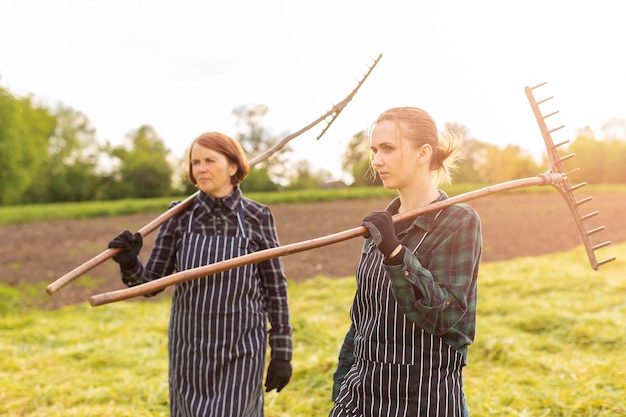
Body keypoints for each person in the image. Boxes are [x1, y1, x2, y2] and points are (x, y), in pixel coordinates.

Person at [108, 132, 293, 417]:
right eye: (195, 162)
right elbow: (150, 285)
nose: (201, 168)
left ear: (233, 166)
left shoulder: (257, 215)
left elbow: (275, 289)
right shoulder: (178, 216)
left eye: (209, 160)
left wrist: (281, 351)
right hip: (190, 350)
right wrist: (129, 263)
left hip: (241, 347)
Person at [329, 107, 482, 416]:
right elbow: (362, 317)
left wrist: (396, 255)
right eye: (374, 150)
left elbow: (445, 316)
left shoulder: (458, 221)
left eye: (388, 148)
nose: (376, 160)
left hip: (422, 398)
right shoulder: (380, 227)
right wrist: (341, 385)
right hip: (361, 395)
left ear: (423, 153)